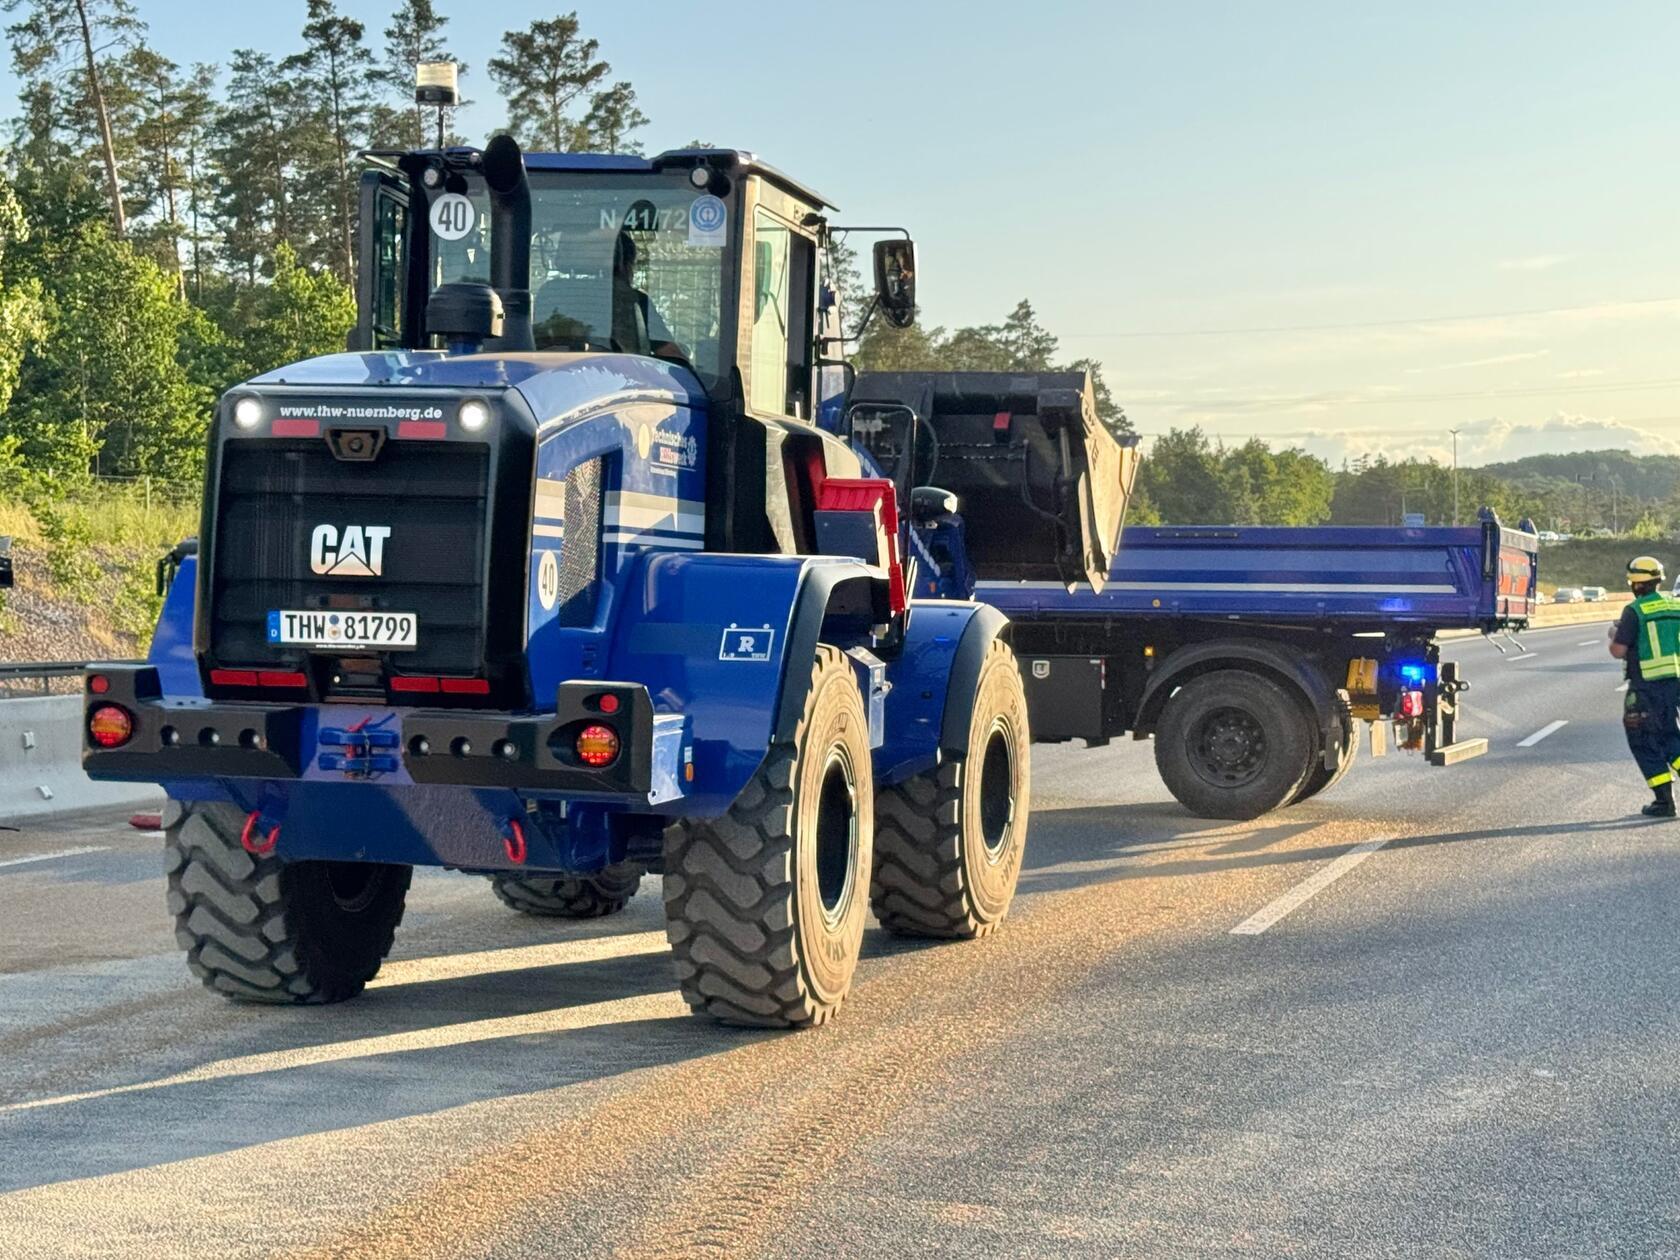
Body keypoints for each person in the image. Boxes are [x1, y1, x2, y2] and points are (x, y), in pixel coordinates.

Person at [1608, 555, 1680, 817]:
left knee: (1643, 740)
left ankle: (1664, 801)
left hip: (1646, 688)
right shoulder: (1676, 605)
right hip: (1675, 685)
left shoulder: (1634, 611)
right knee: (1670, 735)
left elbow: (1618, 651)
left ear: (1635, 585)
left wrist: (1614, 633)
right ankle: (1665, 802)